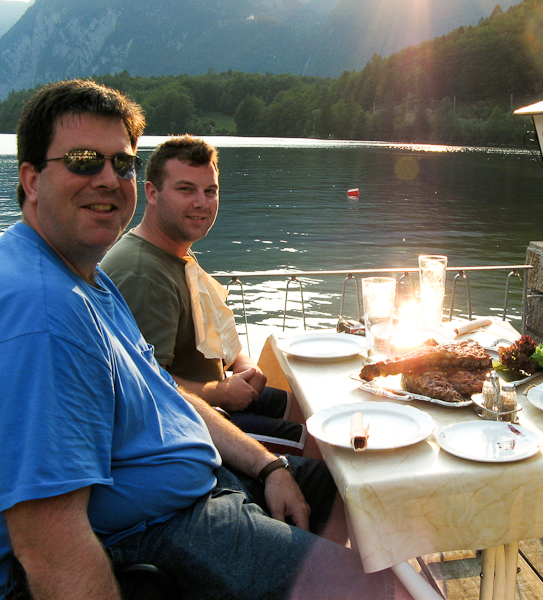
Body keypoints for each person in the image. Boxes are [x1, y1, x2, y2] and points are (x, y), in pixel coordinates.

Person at [0, 79, 408, 600]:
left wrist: (269, 465)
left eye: (121, 163)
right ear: (32, 179)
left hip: (203, 486)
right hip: (156, 534)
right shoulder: (41, 313)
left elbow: (168, 398)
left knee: (333, 488)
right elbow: (50, 547)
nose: (107, 179)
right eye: (83, 160)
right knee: (382, 590)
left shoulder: (88, 280)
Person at [100, 135, 306, 453]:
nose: (202, 202)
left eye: (210, 191)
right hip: (180, 429)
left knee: (305, 408)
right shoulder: (143, 275)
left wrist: (244, 366)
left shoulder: (175, 253)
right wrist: (220, 393)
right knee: (317, 442)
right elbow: (146, 388)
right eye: (186, 189)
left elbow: (214, 337)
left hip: (213, 397)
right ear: (151, 193)